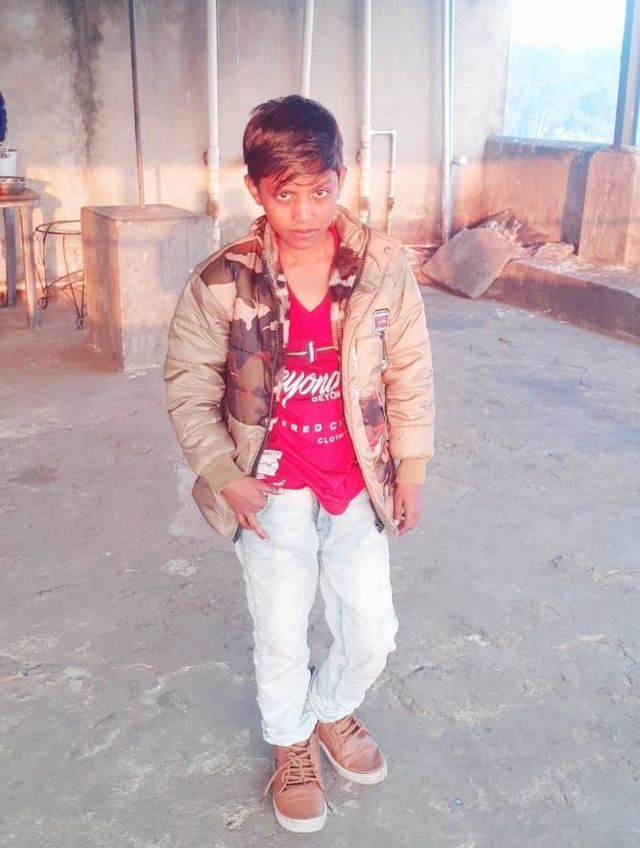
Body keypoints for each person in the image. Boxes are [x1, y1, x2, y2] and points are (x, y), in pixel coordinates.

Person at [164, 95, 434, 833]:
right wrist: (225, 475)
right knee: (281, 634)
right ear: (255, 189)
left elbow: (409, 371)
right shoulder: (223, 280)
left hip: (356, 487)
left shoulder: (382, 268)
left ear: (342, 176)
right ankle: (291, 744)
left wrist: (410, 468)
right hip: (271, 493)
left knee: (372, 632)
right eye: (286, 195)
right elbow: (187, 385)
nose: (306, 211)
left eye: (321, 190)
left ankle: (329, 710)